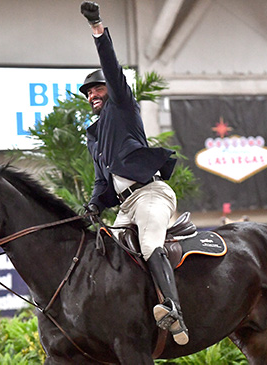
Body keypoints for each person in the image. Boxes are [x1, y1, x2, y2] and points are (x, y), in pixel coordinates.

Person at [79, 1, 189, 345]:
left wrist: (97, 27)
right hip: (124, 207)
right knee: (109, 255)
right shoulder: (95, 136)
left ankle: (173, 309)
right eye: (88, 93)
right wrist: (95, 205)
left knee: (149, 242)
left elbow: (111, 68)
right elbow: (102, 180)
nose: (93, 95)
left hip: (150, 195)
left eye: (97, 89)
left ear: (109, 90)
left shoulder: (122, 107)